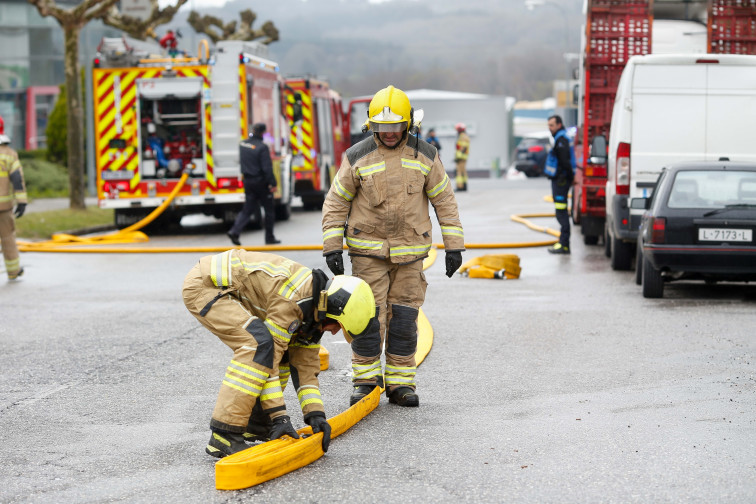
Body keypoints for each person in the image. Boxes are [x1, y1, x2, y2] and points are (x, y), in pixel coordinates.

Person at [321, 85, 465, 408]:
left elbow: (445, 199)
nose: (388, 134)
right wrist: (332, 246)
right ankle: (366, 381)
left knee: (403, 318)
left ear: (409, 124)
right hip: (367, 253)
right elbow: (335, 202)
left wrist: (454, 246)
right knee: (368, 319)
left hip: (411, 253)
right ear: (371, 125)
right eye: (381, 128)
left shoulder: (425, 155)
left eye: (395, 127)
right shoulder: (357, 157)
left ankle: (401, 384)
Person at [182, 250, 377, 458]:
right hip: (206, 286)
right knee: (257, 346)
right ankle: (224, 434)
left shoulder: (316, 311)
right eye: (337, 325)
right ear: (332, 310)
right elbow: (270, 358)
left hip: (227, 288)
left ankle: (256, 425)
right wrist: (280, 416)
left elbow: (306, 368)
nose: (335, 331)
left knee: (281, 355)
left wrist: (315, 415)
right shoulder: (295, 300)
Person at [227, 122, 280, 246]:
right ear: (262, 133)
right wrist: (272, 183)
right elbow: (266, 168)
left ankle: (234, 231)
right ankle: (269, 237)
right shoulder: (262, 147)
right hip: (260, 182)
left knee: (248, 209)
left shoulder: (243, 144)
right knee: (269, 210)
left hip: (247, 181)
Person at [0, 117, 27, 281]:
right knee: (8, 238)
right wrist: (22, 202)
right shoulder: (10, 155)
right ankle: (13, 270)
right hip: (4, 207)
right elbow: (17, 179)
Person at [545, 114, 576, 255]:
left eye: (552, 125)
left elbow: (565, 162)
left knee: (561, 214)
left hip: (561, 181)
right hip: (561, 180)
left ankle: (564, 245)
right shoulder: (561, 138)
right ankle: (563, 243)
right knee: (561, 213)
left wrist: (569, 178)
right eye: (548, 125)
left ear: (559, 124)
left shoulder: (561, 140)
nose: (550, 128)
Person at [454, 123, 470, 191]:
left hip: (461, 158)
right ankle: (464, 186)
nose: (457, 131)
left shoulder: (462, 137)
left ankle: (460, 187)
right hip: (463, 157)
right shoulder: (464, 136)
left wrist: (458, 157)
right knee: (463, 172)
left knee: (459, 172)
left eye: (458, 130)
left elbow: (463, 148)